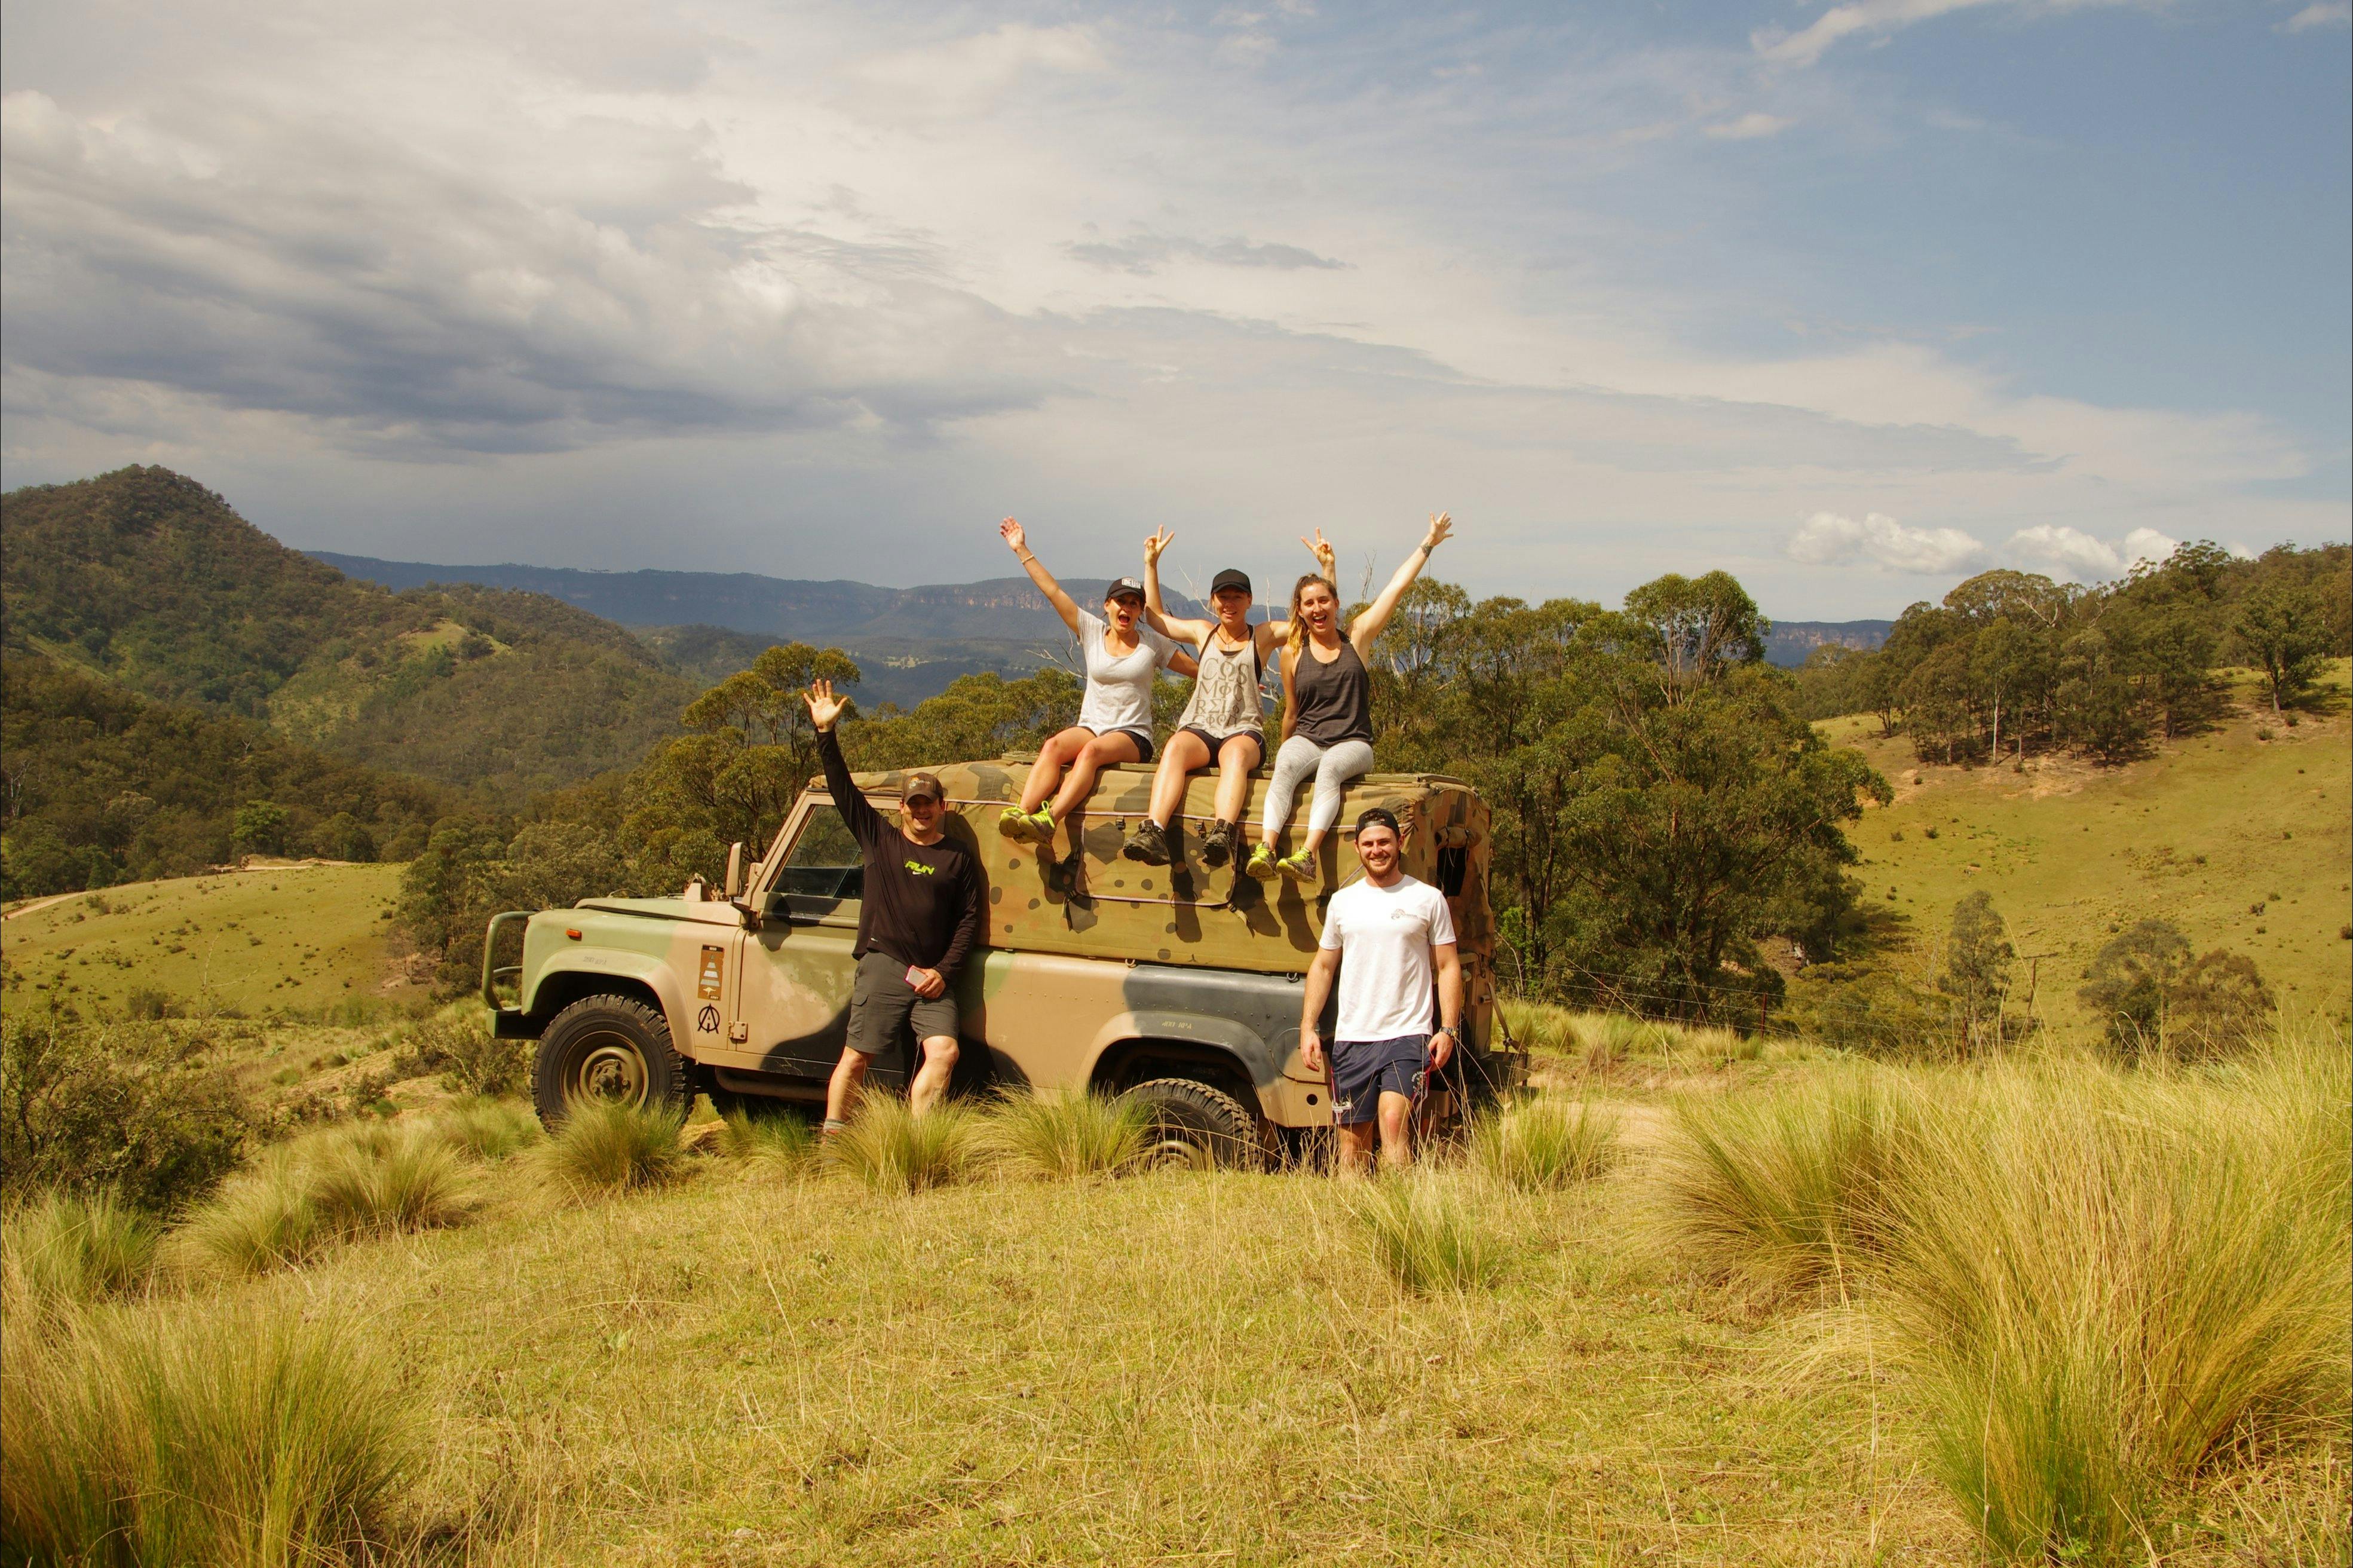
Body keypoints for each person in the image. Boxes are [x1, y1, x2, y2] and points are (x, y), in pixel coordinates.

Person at [803, 678, 985, 1131]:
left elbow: (968, 920)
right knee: (856, 1056)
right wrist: (826, 734)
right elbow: (843, 791)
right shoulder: (879, 840)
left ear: (943, 806)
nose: (922, 811)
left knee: (945, 1052)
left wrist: (944, 972)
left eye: (930, 804)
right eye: (915, 804)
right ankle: (834, 1138)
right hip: (885, 962)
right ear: (902, 807)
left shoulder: (958, 856)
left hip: (932, 973)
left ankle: (913, 1140)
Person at [1246, 512, 1454, 884]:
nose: (1317, 609)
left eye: (1323, 601)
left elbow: (1394, 589)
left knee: (1329, 770)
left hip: (1353, 743)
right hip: (1308, 738)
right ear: (1299, 611)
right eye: (1308, 604)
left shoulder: (1357, 638)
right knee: (1286, 766)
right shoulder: (1293, 651)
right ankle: (1266, 848)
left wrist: (1428, 544)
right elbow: (1291, 712)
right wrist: (1285, 755)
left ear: (1336, 603)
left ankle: (1307, 856)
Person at [1119, 526, 1334, 868]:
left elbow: (1312, 617)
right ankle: (1154, 831)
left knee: (1233, 756)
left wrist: (1327, 569)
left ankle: (1223, 832)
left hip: (1244, 731)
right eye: (1223, 597)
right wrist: (1152, 563)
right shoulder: (1202, 632)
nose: (1229, 603)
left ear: (1249, 601)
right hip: (1200, 728)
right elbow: (1156, 619)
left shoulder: (1261, 637)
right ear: (1212, 602)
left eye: (1237, 597)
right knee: (1174, 747)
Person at [996, 517, 1193, 848]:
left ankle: (1049, 819)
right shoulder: (1090, 631)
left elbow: (1195, 669)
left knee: (1090, 753)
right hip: (1091, 725)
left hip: (1133, 736)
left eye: (1134, 603)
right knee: (1054, 747)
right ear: (1107, 606)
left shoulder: (1152, 643)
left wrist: (1237, 676)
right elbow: (1053, 591)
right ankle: (1022, 812)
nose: (1127, 608)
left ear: (1141, 611)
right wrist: (1021, 549)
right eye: (1121, 601)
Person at [1298, 806, 1463, 1175]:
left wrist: (1448, 1029)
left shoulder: (1427, 899)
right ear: (1357, 847)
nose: (1377, 850)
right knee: (1352, 1145)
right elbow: (1323, 966)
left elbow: (1449, 966)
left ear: (1399, 843)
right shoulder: (1343, 902)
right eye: (1369, 843)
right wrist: (1308, 1026)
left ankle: (1399, 1227)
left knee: (1393, 1122)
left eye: (1384, 842)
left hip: (1407, 1034)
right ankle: (1354, 1225)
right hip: (1353, 1038)